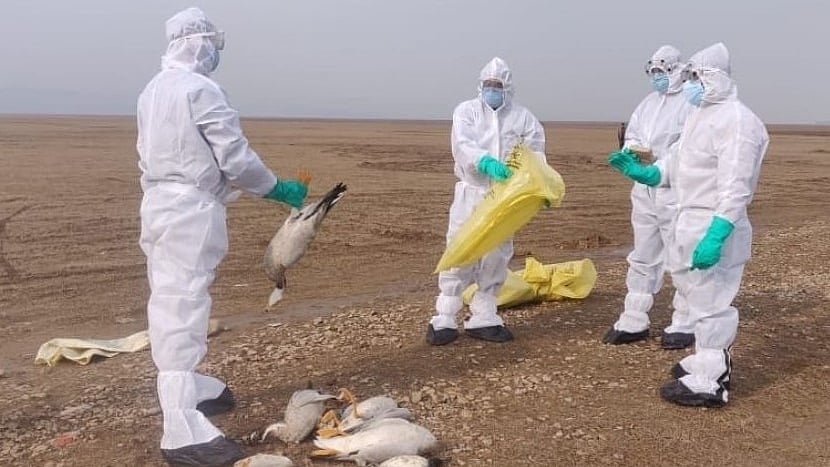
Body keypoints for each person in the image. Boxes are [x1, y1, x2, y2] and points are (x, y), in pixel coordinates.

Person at [136, 8, 308, 465]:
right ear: (200, 43)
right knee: (182, 300)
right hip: (189, 210)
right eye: (214, 44)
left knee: (171, 293)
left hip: (158, 204)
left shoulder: (152, 90)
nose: (215, 54)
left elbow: (181, 155)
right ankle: (181, 428)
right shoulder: (201, 90)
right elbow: (234, 157)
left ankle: (190, 385)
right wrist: (275, 187)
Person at [608, 42, 768, 407]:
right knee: (695, 293)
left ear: (715, 77)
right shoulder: (699, 115)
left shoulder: (738, 122)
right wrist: (649, 173)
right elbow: (676, 162)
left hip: (715, 223)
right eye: (690, 75)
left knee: (712, 301)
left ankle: (712, 380)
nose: (691, 83)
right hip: (688, 217)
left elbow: (735, 184)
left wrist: (718, 230)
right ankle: (704, 358)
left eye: (697, 76)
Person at [426, 57, 546, 346]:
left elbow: (536, 152)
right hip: (472, 191)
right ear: (480, 85)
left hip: (505, 196)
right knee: (460, 247)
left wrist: (539, 186)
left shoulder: (523, 118)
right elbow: (463, 144)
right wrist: (485, 162)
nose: (493, 89)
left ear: (508, 88)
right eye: (489, 84)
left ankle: (485, 314)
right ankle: (445, 316)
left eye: (498, 85)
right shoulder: (466, 111)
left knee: (497, 252)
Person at [603, 45, 696, 349]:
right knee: (643, 253)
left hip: (676, 191)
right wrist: (631, 154)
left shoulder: (690, 104)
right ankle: (634, 317)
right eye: (652, 71)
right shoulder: (647, 104)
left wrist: (660, 170)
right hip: (644, 191)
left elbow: (688, 148)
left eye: (661, 71)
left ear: (676, 69)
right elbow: (634, 135)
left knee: (681, 256)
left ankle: (685, 321)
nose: (657, 77)